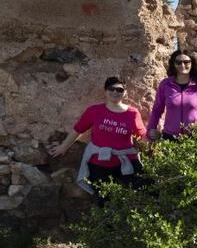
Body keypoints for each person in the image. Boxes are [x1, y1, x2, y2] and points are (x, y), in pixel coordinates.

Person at [49, 76, 147, 205]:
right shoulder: (94, 111)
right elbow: (79, 129)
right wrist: (64, 146)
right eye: (111, 89)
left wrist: (152, 141)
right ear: (105, 91)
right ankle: (108, 224)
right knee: (104, 200)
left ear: (125, 92)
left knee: (141, 193)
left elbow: (142, 135)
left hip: (126, 161)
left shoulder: (132, 113)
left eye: (119, 89)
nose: (115, 92)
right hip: (99, 163)